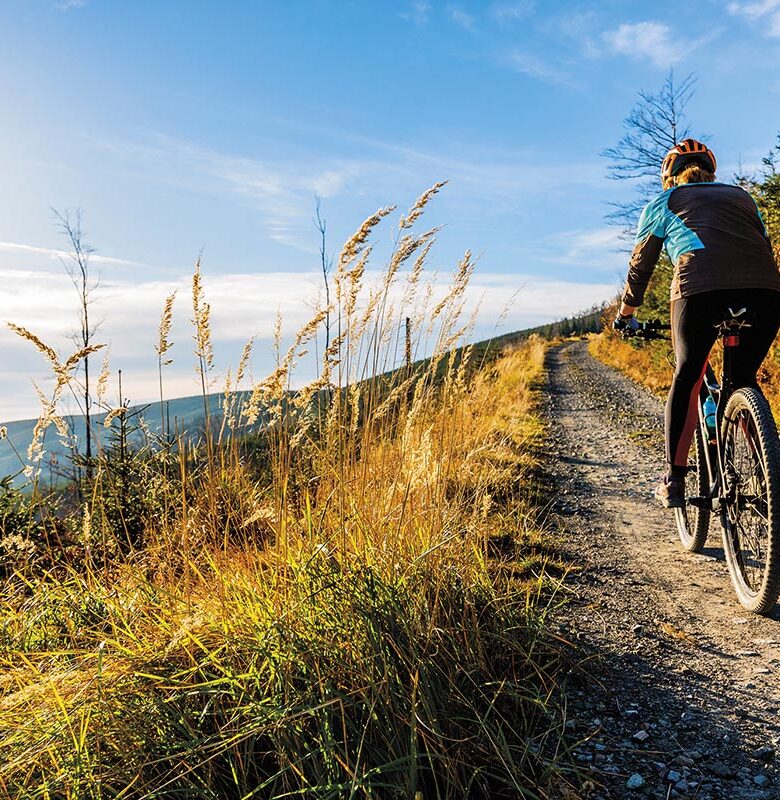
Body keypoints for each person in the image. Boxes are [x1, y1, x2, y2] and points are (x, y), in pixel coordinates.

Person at [613, 138, 780, 508]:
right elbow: (763, 246)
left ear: (668, 177)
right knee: (744, 380)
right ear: (710, 170)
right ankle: (771, 475)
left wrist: (626, 312)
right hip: (765, 292)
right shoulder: (742, 197)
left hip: (699, 291)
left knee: (687, 376)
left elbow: (640, 267)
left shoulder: (663, 202)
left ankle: (673, 480)